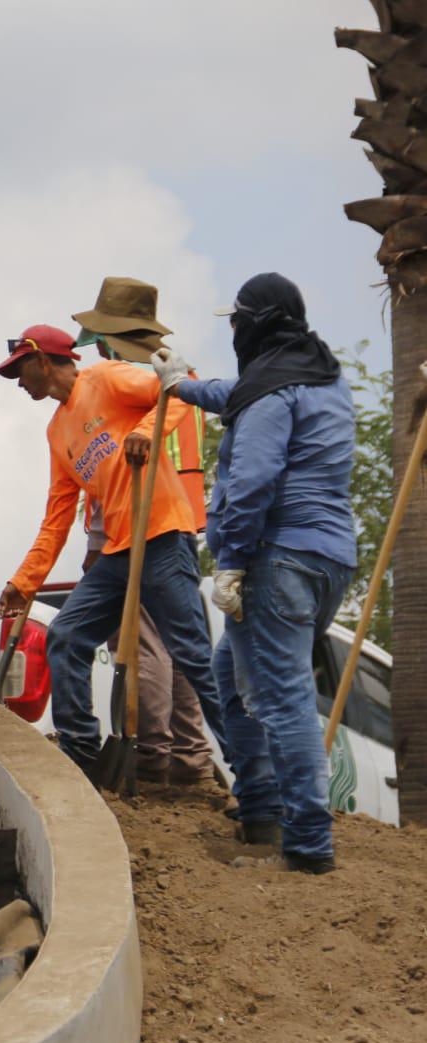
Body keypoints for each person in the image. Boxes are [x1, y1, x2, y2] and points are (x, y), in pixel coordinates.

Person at [154, 273, 356, 874]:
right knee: (228, 678)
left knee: (283, 698)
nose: (235, 331)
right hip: (328, 559)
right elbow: (238, 396)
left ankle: (308, 843)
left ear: (257, 322)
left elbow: (252, 481)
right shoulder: (321, 375)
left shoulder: (271, 391)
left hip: (275, 557)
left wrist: (234, 561)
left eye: (237, 321)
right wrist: (185, 385)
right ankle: (262, 809)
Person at [0, 323, 223, 778]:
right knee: (66, 637)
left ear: (43, 360)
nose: (18, 383)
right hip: (118, 551)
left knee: (192, 654)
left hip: (162, 533)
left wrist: (146, 429)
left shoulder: (106, 378)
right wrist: (24, 582)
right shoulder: (57, 431)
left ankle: (253, 773)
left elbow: (181, 387)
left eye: (21, 371)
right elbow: (57, 518)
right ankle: (80, 751)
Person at [72, 277, 216, 786]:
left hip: (138, 528)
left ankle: (154, 755)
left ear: (111, 336)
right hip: (184, 525)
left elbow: (113, 470)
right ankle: (190, 757)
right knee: (180, 646)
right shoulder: (181, 375)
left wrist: (96, 542)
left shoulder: (130, 378)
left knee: (144, 643)